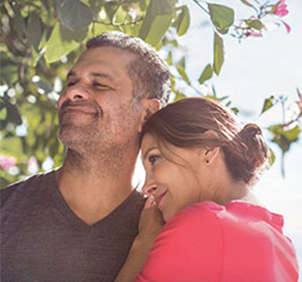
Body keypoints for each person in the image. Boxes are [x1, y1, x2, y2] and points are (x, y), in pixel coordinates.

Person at [1, 31, 171, 282]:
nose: (72, 93)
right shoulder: (5, 207)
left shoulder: (165, 233)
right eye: (71, 83)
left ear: (147, 114)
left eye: (98, 84)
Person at [116, 97, 299, 282]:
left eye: (154, 159)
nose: (147, 187)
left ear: (208, 148)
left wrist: (144, 242)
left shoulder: (201, 224)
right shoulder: (284, 248)